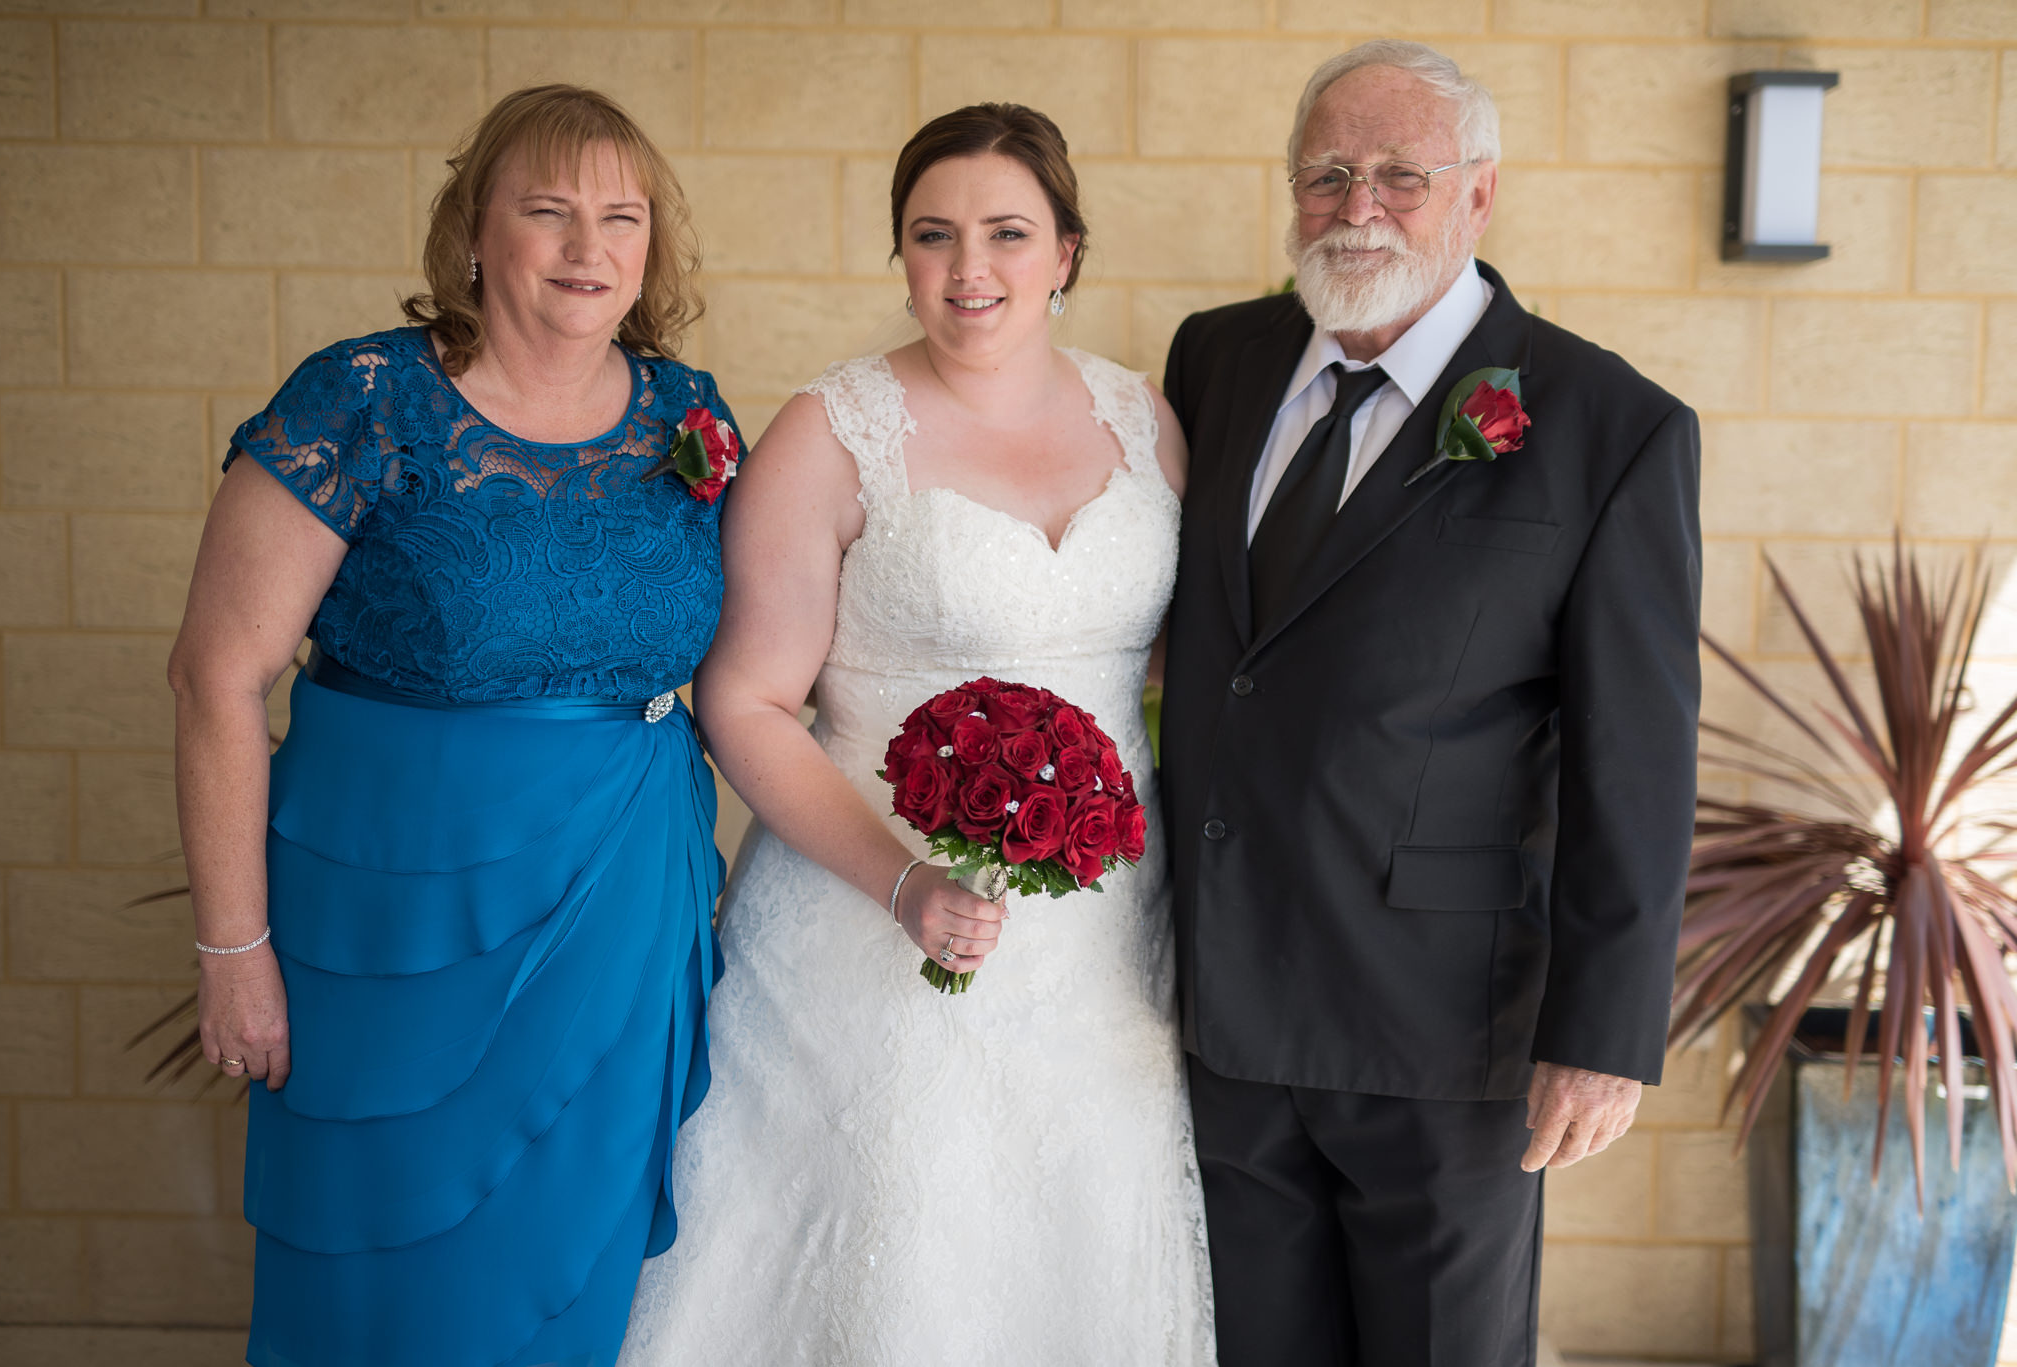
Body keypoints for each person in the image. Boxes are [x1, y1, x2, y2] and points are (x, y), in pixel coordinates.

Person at [622, 104, 1216, 1366]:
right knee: (900, 1232)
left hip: (1102, 935)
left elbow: (1173, 658)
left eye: (1006, 232)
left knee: (1078, 1241)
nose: (968, 269)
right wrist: (902, 881)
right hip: (864, 919)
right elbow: (742, 700)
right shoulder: (829, 434)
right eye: (931, 235)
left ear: (1065, 250)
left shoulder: (1145, 420)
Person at [167, 84, 739, 1367]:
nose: (588, 248)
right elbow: (214, 675)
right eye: (547, 212)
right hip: (390, 923)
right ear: (474, 232)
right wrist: (232, 947)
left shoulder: (687, 414)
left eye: (619, 216)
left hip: (619, 911)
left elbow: (755, 658)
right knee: (384, 1268)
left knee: (571, 1277)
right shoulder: (361, 397)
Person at [1160, 40, 1701, 1367]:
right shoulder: (1215, 361)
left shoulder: (1607, 422)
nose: (1359, 207)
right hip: (1219, 1000)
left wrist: (1605, 1035)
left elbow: (1638, 756)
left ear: (1480, 194)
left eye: (1402, 174)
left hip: (1446, 1029)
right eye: (1329, 172)